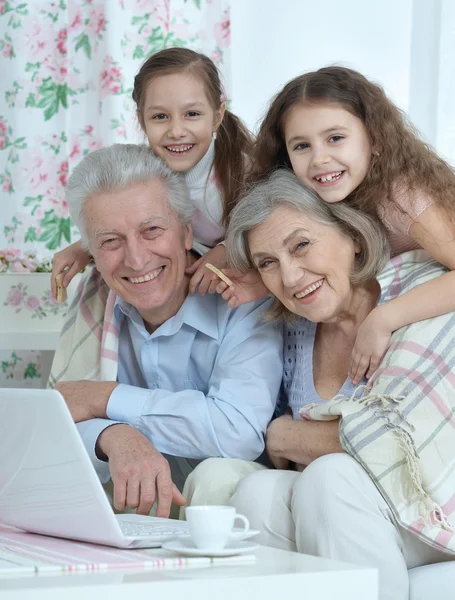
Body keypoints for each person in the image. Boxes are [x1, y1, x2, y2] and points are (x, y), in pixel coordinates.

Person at [185, 170, 455, 600]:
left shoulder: (416, 295)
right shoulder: (294, 329)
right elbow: (275, 453)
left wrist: (289, 434)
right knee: (257, 492)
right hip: (347, 512)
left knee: (331, 477)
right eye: (268, 263)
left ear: (352, 236)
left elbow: (403, 440)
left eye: (302, 245)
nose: (290, 278)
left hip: (432, 504)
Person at [48, 143, 282, 519]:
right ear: (90, 251)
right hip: (131, 506)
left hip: (234, 500)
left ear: (186, 233)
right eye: (110, 241)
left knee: (215, 475)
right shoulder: (93, 302)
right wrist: (113, 436)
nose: (136, 259)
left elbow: (238, 430)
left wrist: (106, 399)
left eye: (152, 230)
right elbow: (54, 419)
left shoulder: (242, 295)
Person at [216, 66, 455, 387]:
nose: (320, 159)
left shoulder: (400, 195)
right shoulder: (323, 193)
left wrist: (384, 319)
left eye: (335, 138)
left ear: (376, 139)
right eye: (302, 146)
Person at [51, 47, 253, 300]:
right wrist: (83, 249)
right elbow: (124, 226)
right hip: (184, 288)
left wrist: (228, 250)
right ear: (141, 120)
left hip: (242, 289)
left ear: (217, 116)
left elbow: (274, 232)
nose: (176, 131)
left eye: (192, 114)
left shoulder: (243, 172)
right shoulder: (142, 173)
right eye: (160, 116)